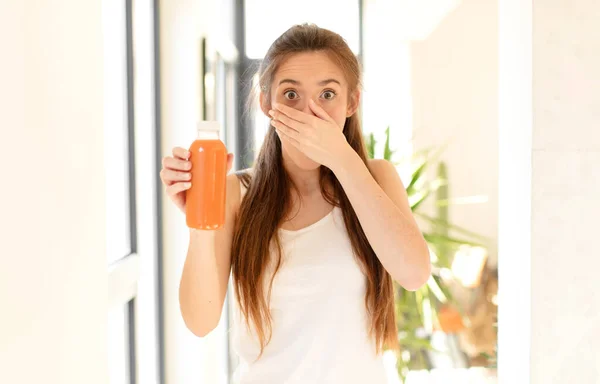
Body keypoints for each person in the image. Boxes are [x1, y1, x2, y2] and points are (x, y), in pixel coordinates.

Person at [160, 23, 431, 384]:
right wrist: (199, 218)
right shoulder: (237, 193)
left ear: (352, 102)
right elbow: (200, 320)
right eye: (290, 95)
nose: (308, 112)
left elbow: (413, 273)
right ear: (265, 102)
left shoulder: (377, 178)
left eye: (328, 95)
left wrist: (341, 158)